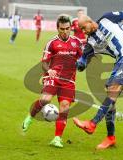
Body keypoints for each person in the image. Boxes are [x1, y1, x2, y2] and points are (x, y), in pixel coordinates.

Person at [73, 11, 123, 149]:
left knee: (112, 91)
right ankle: (110, 138)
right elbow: (83, 59)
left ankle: (92, 123)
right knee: (110, 101)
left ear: (90, 22)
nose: (83, 32)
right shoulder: (90, 42)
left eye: (84, 28)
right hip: (120, 61)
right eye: (80, 30)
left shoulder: (107, 19)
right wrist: (80, 64)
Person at [22, 15, 83, 148]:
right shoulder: (52, 43)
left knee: (65, 107)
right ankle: (30, 116)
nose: (65, 31)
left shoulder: (77, 43)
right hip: (53, 77)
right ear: (57, 28)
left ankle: (57, 138)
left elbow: (83, 59)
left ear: (70, 28)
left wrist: (82, 63)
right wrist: (48, 70)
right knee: (45, 100)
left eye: (67, 28)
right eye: (62, 29)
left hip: (69, 80)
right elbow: (44, 63)